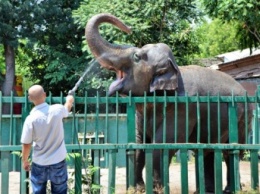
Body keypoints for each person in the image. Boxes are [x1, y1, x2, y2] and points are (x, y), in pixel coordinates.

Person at [21, 85, 74, 194]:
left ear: (30, 99)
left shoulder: (30, 119)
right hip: (58, 161)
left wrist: (25, 160)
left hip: (39, 162)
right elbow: (67, 108)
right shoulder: (57, 109)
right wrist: (69, 99)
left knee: (38, 191)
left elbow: (27, 144)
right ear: (45, 95)